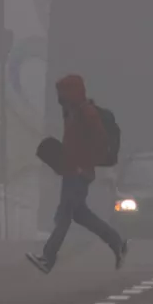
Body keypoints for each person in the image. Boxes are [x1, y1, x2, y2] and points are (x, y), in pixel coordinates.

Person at [26, 74, 128, 273]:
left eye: (63, 92)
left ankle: (48, 258)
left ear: (73, 92)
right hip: (70, 171)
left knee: (63, 216)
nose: (60, 97)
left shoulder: (86, 113)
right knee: (81, 216)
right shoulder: (71, 112)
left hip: (79, 174)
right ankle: (117, 243)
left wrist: (85, 165)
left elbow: (99, 142)